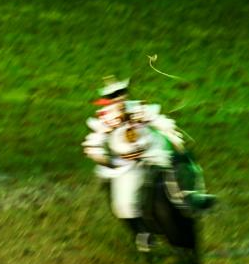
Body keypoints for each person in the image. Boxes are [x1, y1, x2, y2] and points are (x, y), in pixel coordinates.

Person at [82, 77, 214, 252]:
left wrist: (174, 138)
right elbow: (93, 144)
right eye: (114, 95)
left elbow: (161, 122)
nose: (119, 97)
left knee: (179, 166)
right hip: (125, 163)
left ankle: (194, 197)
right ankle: (142, 233)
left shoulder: (138, 108)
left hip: (152, 151)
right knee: (123, 204)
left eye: (121, 93)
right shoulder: (104, 120)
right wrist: (104, 159)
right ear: (107, 99)